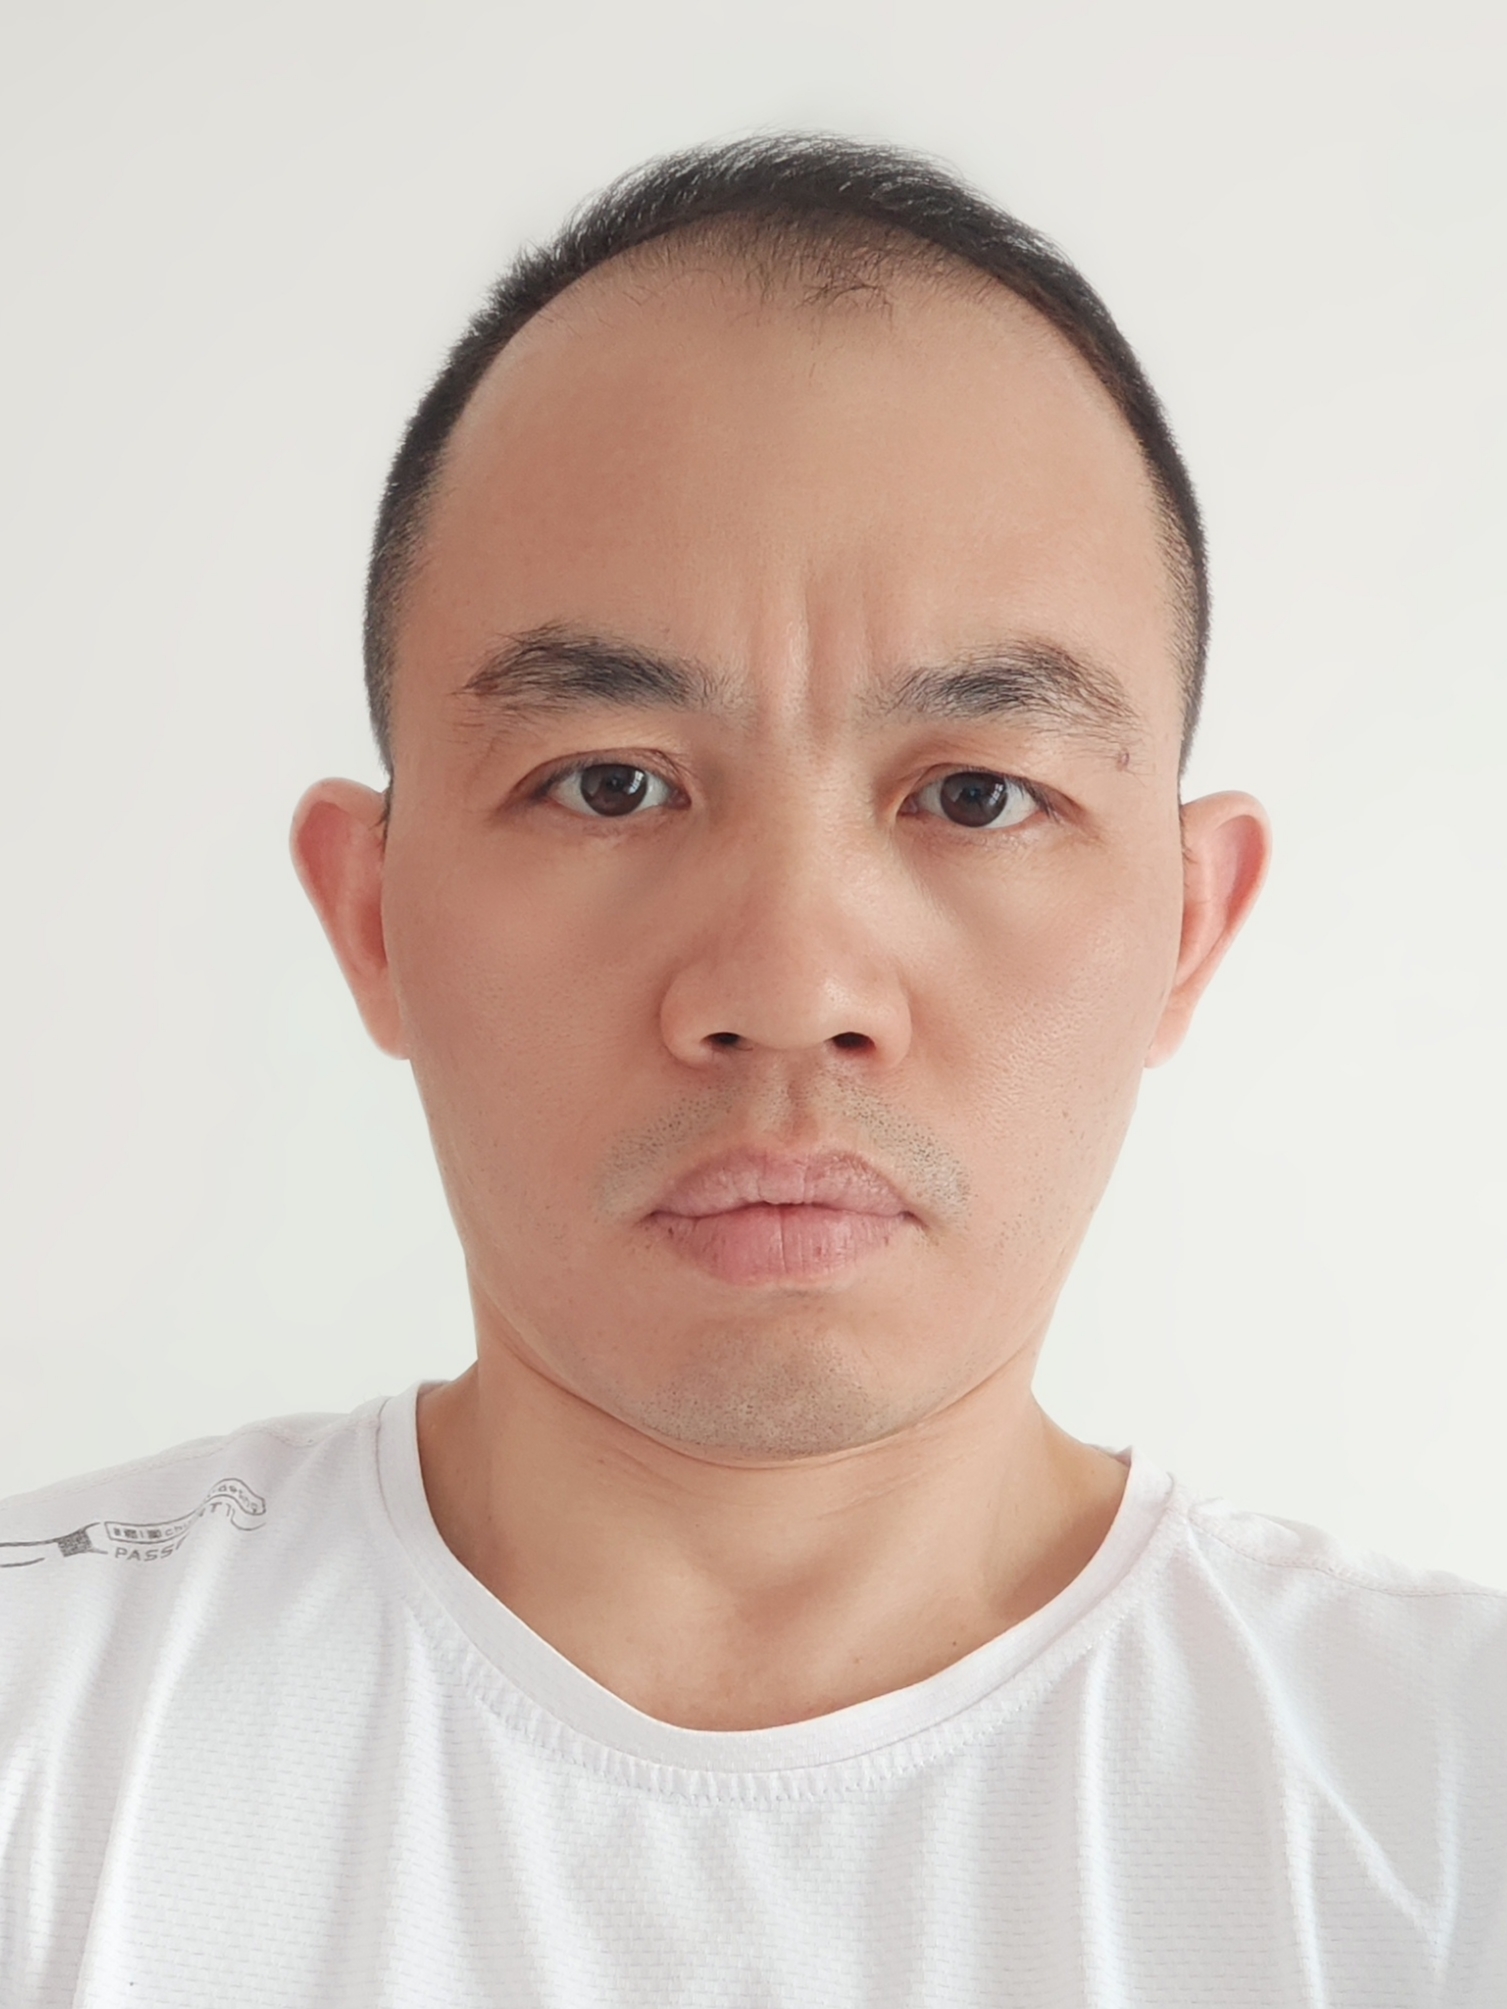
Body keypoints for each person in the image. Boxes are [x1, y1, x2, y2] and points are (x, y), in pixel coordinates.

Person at [1, 135, 1501, 2008]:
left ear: (1189, 926)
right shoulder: (42, 1736)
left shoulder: (1447, 1809)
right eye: (610, 782)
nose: (791, 989)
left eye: (979, 794)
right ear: (372, 913)